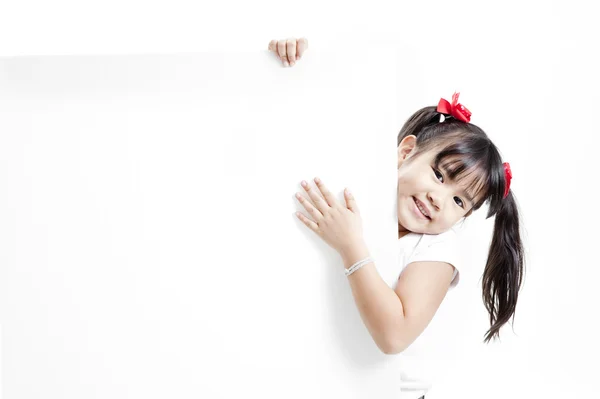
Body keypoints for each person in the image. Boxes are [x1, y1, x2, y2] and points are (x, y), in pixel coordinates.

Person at [275, 37, 525, 399]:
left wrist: (350, 246)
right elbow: (305, 129)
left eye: (459, 201)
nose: (438, 200)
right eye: (439, 176)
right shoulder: (358, 194)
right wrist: (287, 65)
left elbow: (394, 335)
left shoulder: (439, 248)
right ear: (406, 152)